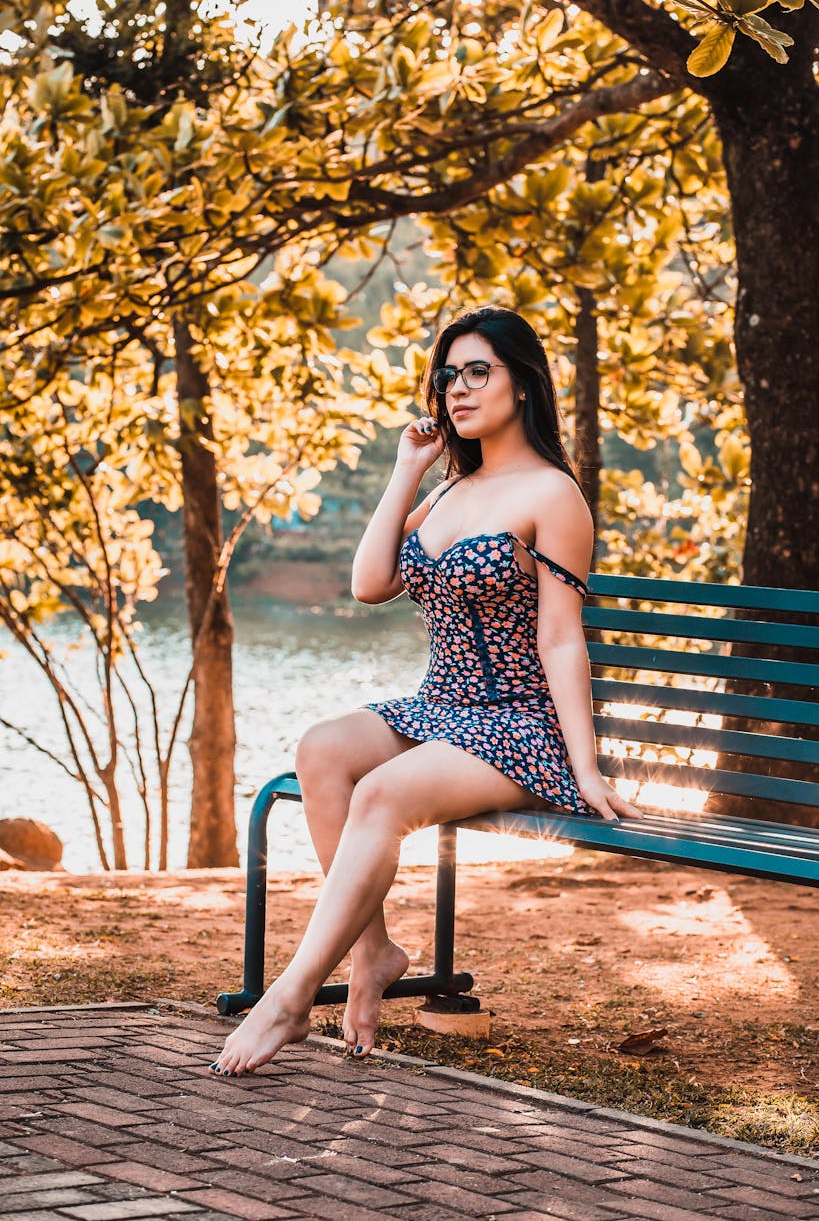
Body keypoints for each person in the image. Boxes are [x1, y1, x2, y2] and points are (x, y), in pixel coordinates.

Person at [210, 305, 641, 1078]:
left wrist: (584, 766)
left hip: (520, 725)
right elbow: (369, 581)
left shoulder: (553, 495)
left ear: (523, 383)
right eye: (448, 375)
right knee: (322, 749)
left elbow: (560, 637)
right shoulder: (447, 493)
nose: (459, 389)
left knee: (380, 793)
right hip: (440, 707)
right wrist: (406, 468)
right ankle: (373, 951)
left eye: (479, 371)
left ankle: (290, 997)